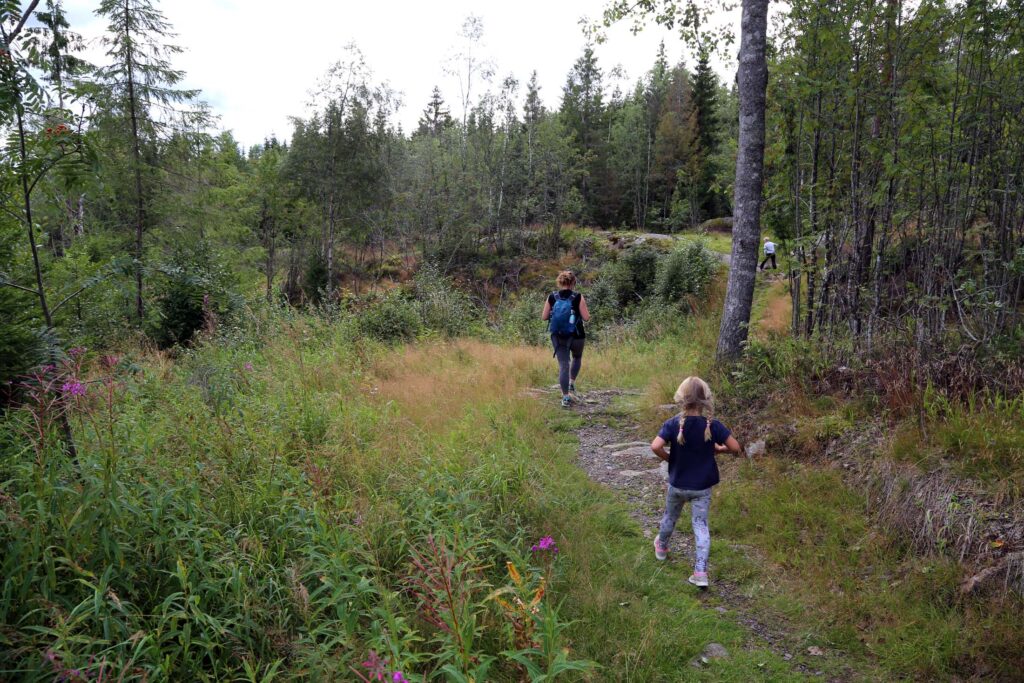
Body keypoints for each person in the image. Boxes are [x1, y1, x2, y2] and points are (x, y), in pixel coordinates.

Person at [650, 376, 742, 587]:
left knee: (670, 518)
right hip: (702, 488)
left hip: (678, 485)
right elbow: (736, 448)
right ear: (705, 399)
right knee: (700, 526)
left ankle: (662, 547)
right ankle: (700, 572)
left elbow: (655, 446)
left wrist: (670, 458)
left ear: (681, 398)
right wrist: (719, 449)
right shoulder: (713, 426)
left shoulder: (673, 424)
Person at [541, 271, 590, 408]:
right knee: (577, 357)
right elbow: (586, 317)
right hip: (577, 335)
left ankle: (566, 398)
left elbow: (544, 317)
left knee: (563, 365)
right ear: (573, 282)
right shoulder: (578, 297)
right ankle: (571, 383)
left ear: (560, 282)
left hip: (559, 336)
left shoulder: (552, 297)